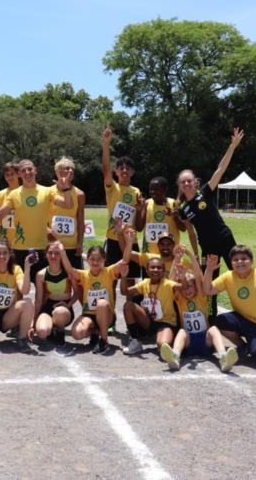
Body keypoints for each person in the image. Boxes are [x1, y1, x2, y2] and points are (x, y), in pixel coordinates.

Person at [176, 128, 245, 317]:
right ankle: (211, 319)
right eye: (183, 183)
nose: (187, 184)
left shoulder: (206, 192)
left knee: (238, 275)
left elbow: (220, 169)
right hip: (207, 248)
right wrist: (196, 255)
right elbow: (190, 232)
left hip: (225, 239)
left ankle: (244, 312)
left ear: (195, 183)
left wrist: (232, 146)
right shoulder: (183, 210)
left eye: (189, 181)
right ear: (180, 186)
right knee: (209, 284)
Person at [0, 159, 73, 284]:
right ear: (19, 174)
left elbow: (68, 205)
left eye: (30, 169)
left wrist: (66, 189)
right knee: (18, 290)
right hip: (19, 249)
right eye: (23, 170)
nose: (27, 172)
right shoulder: (13, 194)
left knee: (41, 288)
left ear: (35, 170)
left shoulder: (48, 191)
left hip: (42, 248)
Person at [160, 248, 239, 372]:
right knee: (181, 332)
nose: (187, 290)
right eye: (184, 288)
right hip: (188, 342)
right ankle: (175, 357)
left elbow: (198, 276)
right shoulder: (180, 299)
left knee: (213, 329)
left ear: (195, 287)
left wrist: (191, 255)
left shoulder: (201, 296)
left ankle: (223, 357)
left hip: (205, 341)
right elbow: (171, 283)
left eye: (189, 286)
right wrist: (176, 260)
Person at [59, 241, 128, 354]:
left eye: (99, 259)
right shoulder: (84, 275)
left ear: (104, 260)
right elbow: (70, 270)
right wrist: (62, 252)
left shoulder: (109, 272)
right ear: (88, 259)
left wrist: (129, 241)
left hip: (107, 315)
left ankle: (104, 341)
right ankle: (95, 332)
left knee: (101, 303)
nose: (95, 262)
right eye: (92, 259)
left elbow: (124, 261)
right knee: (77, 334)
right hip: (90, 314)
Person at [101, 126, 142, 280]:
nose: (124, 170)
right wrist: (106, 143)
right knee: (111, 279)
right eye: (121, 168)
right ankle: (108, 305)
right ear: (116, 172)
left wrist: (141, 208)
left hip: (131, 240)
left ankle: (131, 305)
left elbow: (138, 221)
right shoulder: (112, 187)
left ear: (132, 172)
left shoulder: (137, 192)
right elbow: (105, 168)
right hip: (113, 238)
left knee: (131, 280)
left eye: (128, 168)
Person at [120, 253, 180, 357]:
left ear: (163, 271)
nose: (155, 270)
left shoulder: (168, 284)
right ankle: (136, 341)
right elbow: (124, 292)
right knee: (128, 306)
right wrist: (124, 277)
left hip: (166, 322)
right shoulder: (144, 283)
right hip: (149, 321)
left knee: (162, 345)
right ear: (147, 271)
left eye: (159, 268)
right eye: (152, 267)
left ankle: (169, 340)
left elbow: (183, 287)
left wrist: (182, 276)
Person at [137, 176, 196, 255]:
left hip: (170, 253)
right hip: (150, 253)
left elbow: (183, 228)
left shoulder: (173, 204)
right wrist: (139, 210)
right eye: (151, 189)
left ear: (165, 189)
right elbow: (139, 228)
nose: (153, 192)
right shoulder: (147, 203)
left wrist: (175, 218)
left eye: (156, 189)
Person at [32, 241, 77, 345]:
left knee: (59, 312)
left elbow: (78, 293)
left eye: (57, 253)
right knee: (42, 332)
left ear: (61, 255)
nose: (53, 255)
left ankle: (60, 331)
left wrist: (68, 305)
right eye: (50, 252)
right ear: (46, 254)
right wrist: (33, 322)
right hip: (48, 307)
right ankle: (51, 329)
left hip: (64, 309)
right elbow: (38, 300)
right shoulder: (41, 275)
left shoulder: (69, 273)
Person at [48, 157, 86, 269]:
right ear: (58, 172)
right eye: (67, 168)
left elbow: (80, 220)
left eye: (72, 169)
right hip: (53, 244)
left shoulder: (79, 194)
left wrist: (80, 242)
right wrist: (47, 231)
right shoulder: (48, 192)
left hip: (71, 245)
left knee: (74, 280)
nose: (71, 171)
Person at [0, 162, 21, 248]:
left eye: (12, 174)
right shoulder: (0, 194)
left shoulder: (25, 193)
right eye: (7, 175)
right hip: (4, 242)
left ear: (18, 174)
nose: (10, 177)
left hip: (23, 240)